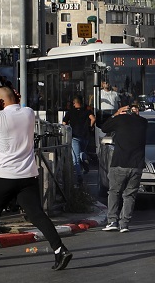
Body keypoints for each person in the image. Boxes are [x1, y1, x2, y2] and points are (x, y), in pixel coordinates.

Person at [0, 87, 73, 271]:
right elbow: (17, 105)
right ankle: (59, 250)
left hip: (3, 176)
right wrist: (13, 99)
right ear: (16, 97)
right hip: (27, 175)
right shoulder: (29, 113)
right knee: (37, 215)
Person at [101, 103, 148, 233]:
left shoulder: (120, 120)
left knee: (114, 192)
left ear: (125, 111)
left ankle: (112, 221)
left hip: (120, 163)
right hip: (137, 165)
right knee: (130, 195)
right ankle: (125, 224)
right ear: (137, 111)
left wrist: (116, 114)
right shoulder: (144, 122)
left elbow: (104, 128)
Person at [62, 95, 95, 186]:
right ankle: (84, 159)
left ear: (75, 103)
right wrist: (90, 127)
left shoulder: (70, 112)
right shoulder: (87, 111)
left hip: (75, 137)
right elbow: (93, 119)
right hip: (85, 136)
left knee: (75, 158)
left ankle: (79, 176)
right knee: (81, 152)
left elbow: (64, 123)